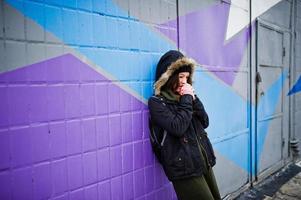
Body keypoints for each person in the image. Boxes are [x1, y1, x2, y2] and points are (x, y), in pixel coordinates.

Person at [148, 50, 221, 200]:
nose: (184, 81)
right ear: (169, 77)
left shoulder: (186, 96)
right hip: (184, 168)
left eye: (187, 77)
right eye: (180, 76)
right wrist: (187, 98)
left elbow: (205, 122)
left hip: (201, 160)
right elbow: (178, 128)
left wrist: (194, 99)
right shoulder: (157, 102)